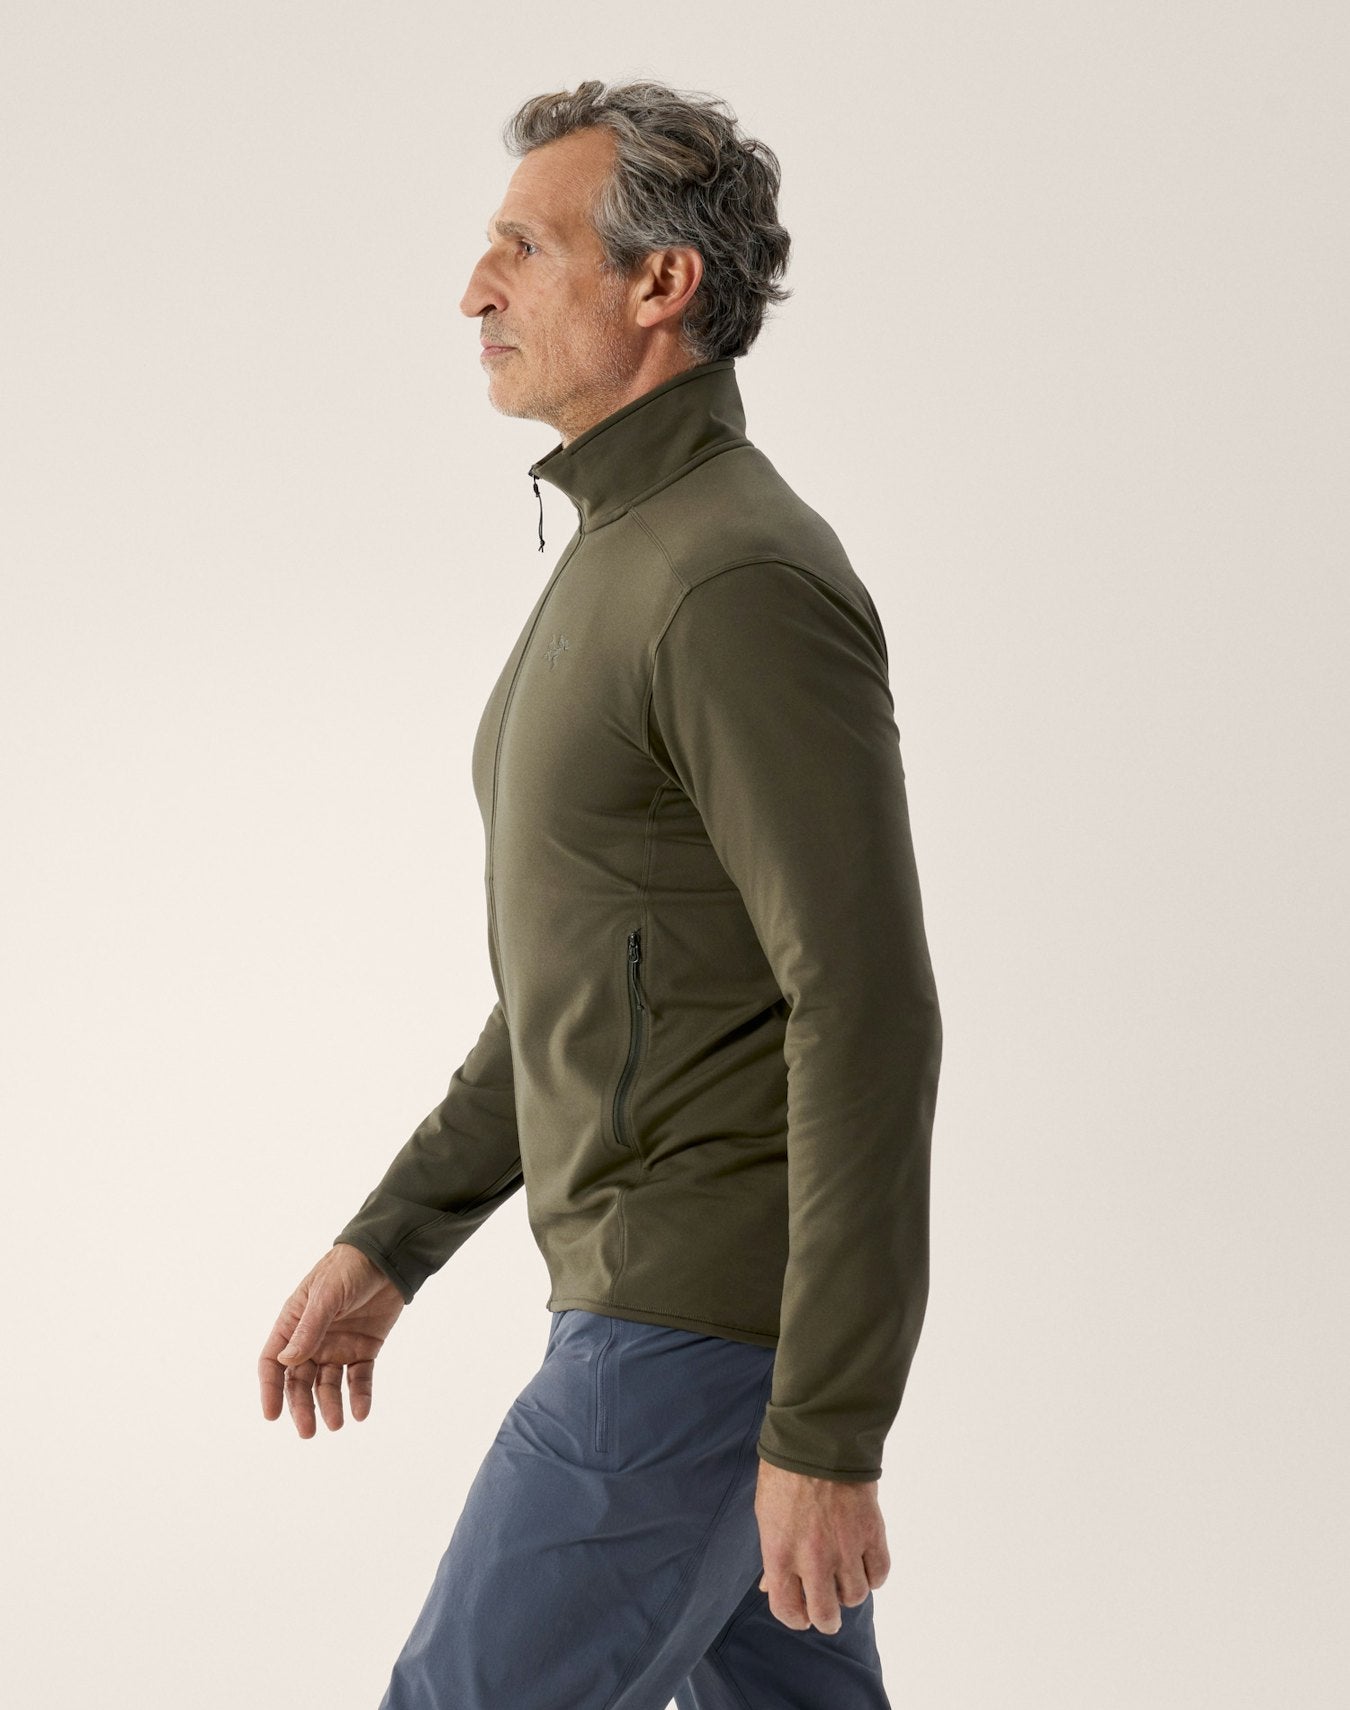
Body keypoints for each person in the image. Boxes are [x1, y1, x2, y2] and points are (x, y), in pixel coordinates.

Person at [258, 78, 943, 1710]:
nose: (474, 291)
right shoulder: (628, 552)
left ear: (660, 285)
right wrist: (390, 1239)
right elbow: (582, 983)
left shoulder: (731, 576)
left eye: (522, 247)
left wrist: (826, 1425)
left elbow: (863, 1001)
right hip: (680, 1324)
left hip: (687, 1343)